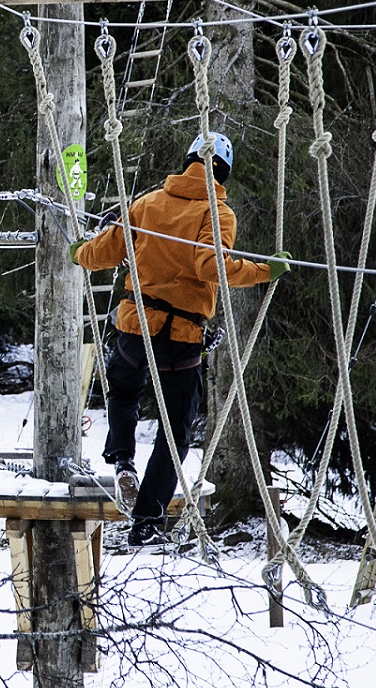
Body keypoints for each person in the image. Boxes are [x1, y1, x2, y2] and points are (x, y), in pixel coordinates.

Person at [70, 131, 292, 547]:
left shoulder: (147, 203)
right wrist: (265, 271)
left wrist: (78, 253)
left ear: (187, 159)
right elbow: (212, 266)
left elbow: (102, 253)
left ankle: (122, 459)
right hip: (180, 338)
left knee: (122, 391)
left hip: (134, 327)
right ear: (224, 171)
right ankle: (147, 522)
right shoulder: (218, 213)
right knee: (175, 431)